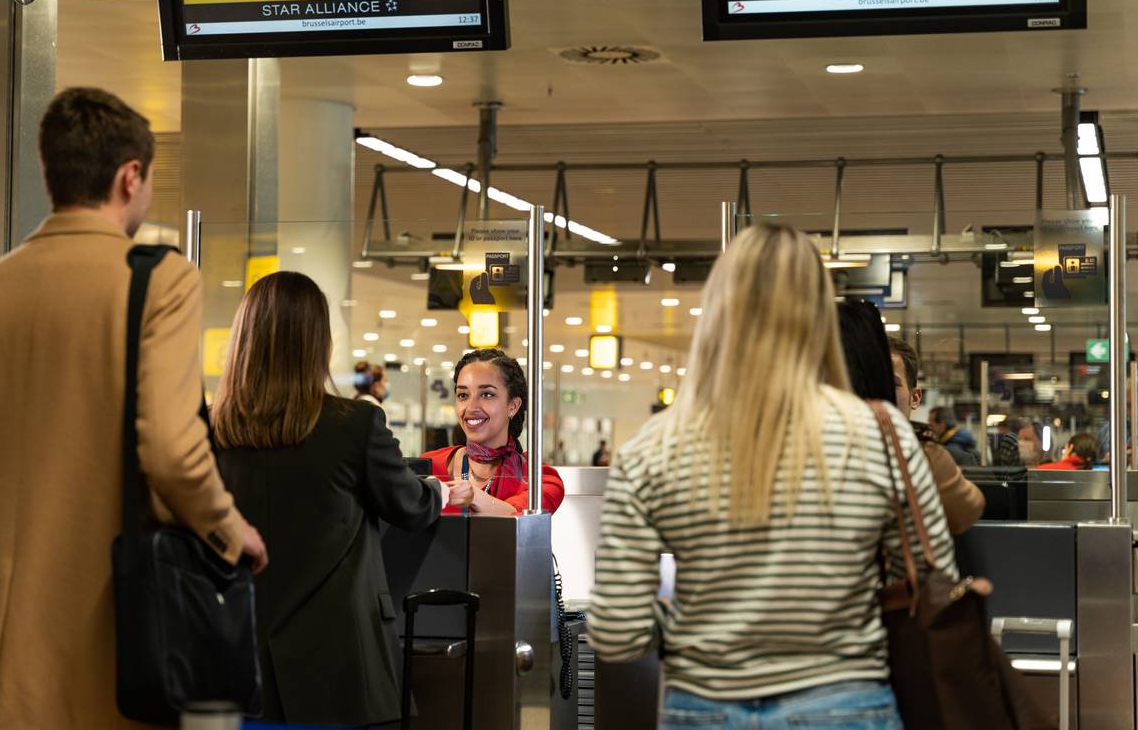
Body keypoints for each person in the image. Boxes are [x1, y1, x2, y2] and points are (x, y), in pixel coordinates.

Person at [0, 88, 268, 730]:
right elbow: (172, 448)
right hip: (107, 668)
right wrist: (230, 532)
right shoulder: (159, 280)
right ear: (130, 176)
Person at [588, 223, 956, 729]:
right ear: (816, 314)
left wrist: (700, 622)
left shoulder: (654, 447)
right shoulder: (879, 432)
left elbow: (616, 633)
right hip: (847, 705)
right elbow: (935, 579)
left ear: (719, 311)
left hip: (702, 709)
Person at [214, 271, 446, 728]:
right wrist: (440, 488)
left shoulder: (209, 428)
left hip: (233, 664)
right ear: (317, 344)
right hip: (340, 674)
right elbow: (411, 506)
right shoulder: (352, 425)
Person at [836, 311, 984, 534]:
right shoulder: (833, 447)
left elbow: (969, 514)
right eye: (871, 382)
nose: (880, 391)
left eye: (891, 383)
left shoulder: (942, 458)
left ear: (915, 398)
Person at [423, 348, 566, 514]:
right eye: (463, 395)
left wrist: (474, 496)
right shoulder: (428, 467)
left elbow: (520, 519)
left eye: (487, 395)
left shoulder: (540, 479)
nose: (471, 407)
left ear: (513, 406)